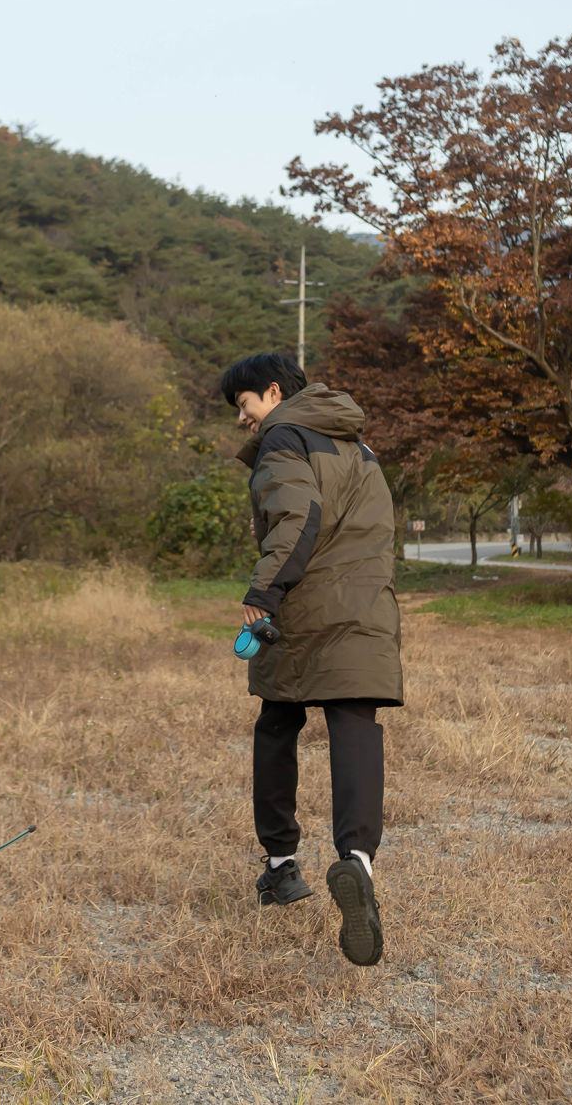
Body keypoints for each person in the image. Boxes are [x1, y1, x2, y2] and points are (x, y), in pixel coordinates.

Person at [221, 352, 402, 967]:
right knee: (356, 729)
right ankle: (357, 860)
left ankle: (280, 866)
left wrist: (263, 592)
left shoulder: (283, 438)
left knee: (277, 726)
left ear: (272, 392)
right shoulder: (359, 445)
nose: (244, 420)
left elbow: (297, 518)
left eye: (244, 405)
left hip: (303, 608)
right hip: (366, 605)